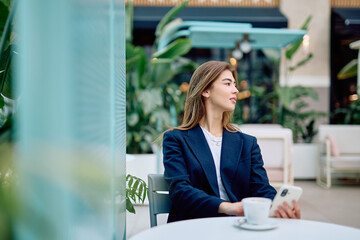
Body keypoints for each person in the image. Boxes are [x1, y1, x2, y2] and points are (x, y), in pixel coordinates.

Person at [162, 60, 301, 223]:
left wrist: (279, 206)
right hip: (192, 226)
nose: (236, 90)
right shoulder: (176, 139)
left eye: (235, 85)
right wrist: (228, 207)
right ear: (205, 90)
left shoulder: (247, 144)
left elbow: (261, 188)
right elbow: (180, 191)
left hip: (237, 227)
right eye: (227, 83)